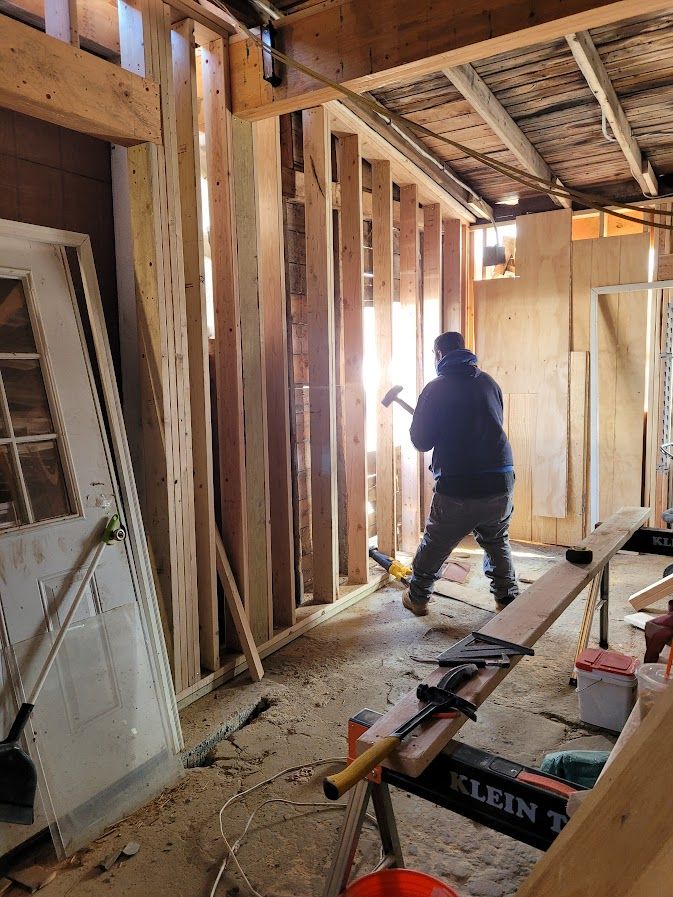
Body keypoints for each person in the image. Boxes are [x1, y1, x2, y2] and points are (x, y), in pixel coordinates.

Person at [403, 331, 519, 616]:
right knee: (496, 540)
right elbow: (491, 423)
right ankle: (506, 598)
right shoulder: (488, 382)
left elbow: (422, 441)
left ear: (439, 354)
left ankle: (417, 598)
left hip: (459, 483)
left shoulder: (435, 388)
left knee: (436, 542)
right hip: (500, 478)